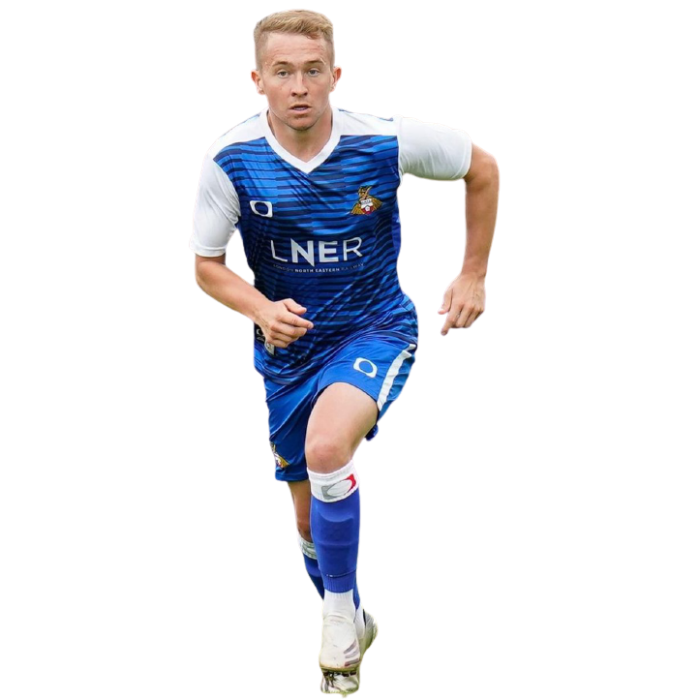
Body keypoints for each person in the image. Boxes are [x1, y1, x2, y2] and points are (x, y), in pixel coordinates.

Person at [189, 8, 500, 697]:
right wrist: (260, 309)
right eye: (282, 72)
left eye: (311, 71)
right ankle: (353, 612)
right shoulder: (230, 158)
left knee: (329, 448)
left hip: (373, 329)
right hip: (288, 353)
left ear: (335, 75)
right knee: (307, 520)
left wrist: (472, 273)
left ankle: (334, 620)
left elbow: (483, 168)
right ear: (257, 80)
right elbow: (206, 265)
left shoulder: (384, 141)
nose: (299, 87)